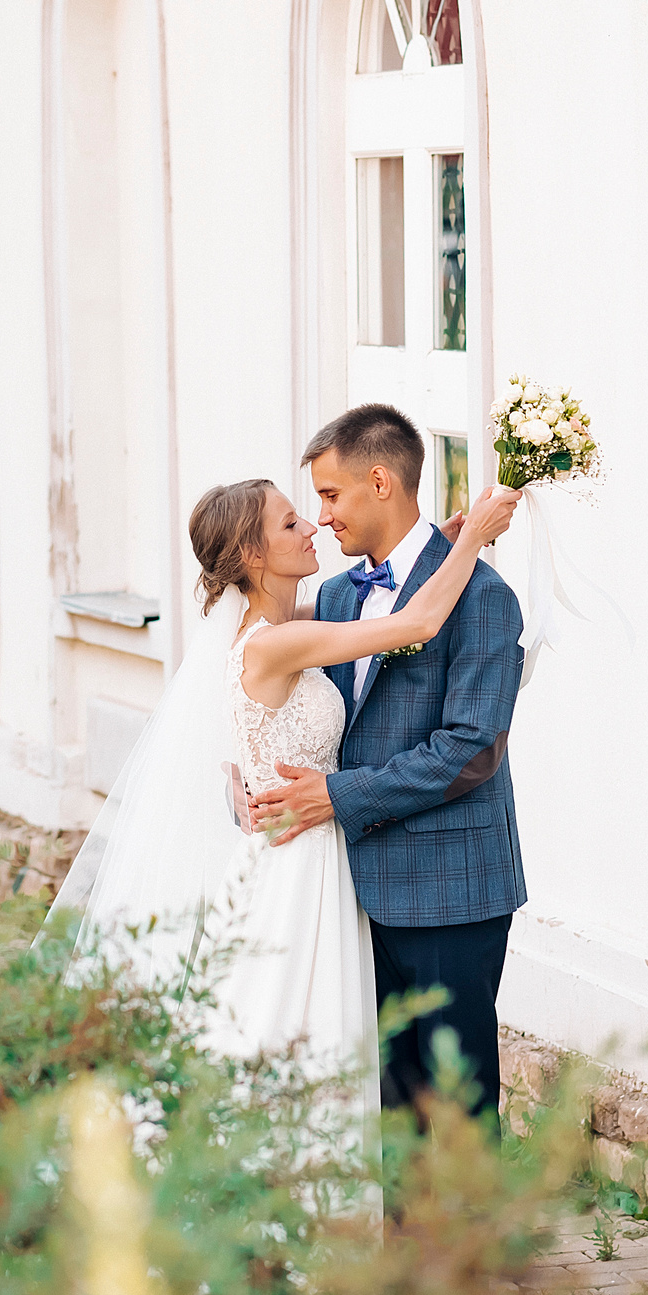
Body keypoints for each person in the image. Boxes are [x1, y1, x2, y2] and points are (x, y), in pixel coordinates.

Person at [49, 445, 520, 1097]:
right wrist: (472, 539)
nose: (315, 526)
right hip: (300, 865)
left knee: (324, 1049)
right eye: (293, 522)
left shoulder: (295, 619)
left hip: (333, 858)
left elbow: (388, 617)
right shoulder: (274, 642)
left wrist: (431, 546)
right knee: (301, 1034)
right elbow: (416, 621)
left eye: (320, 505)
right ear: (252, 554)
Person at [248, 404, 528, 1126]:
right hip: (347, 893)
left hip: (451, 890)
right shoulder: (337, 597)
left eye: (330, 495)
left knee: (457, 1114)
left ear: (380, 482)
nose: (322, 517)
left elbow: (470, 749)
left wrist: (338, 796)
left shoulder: (483, 597)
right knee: (386, 1116)